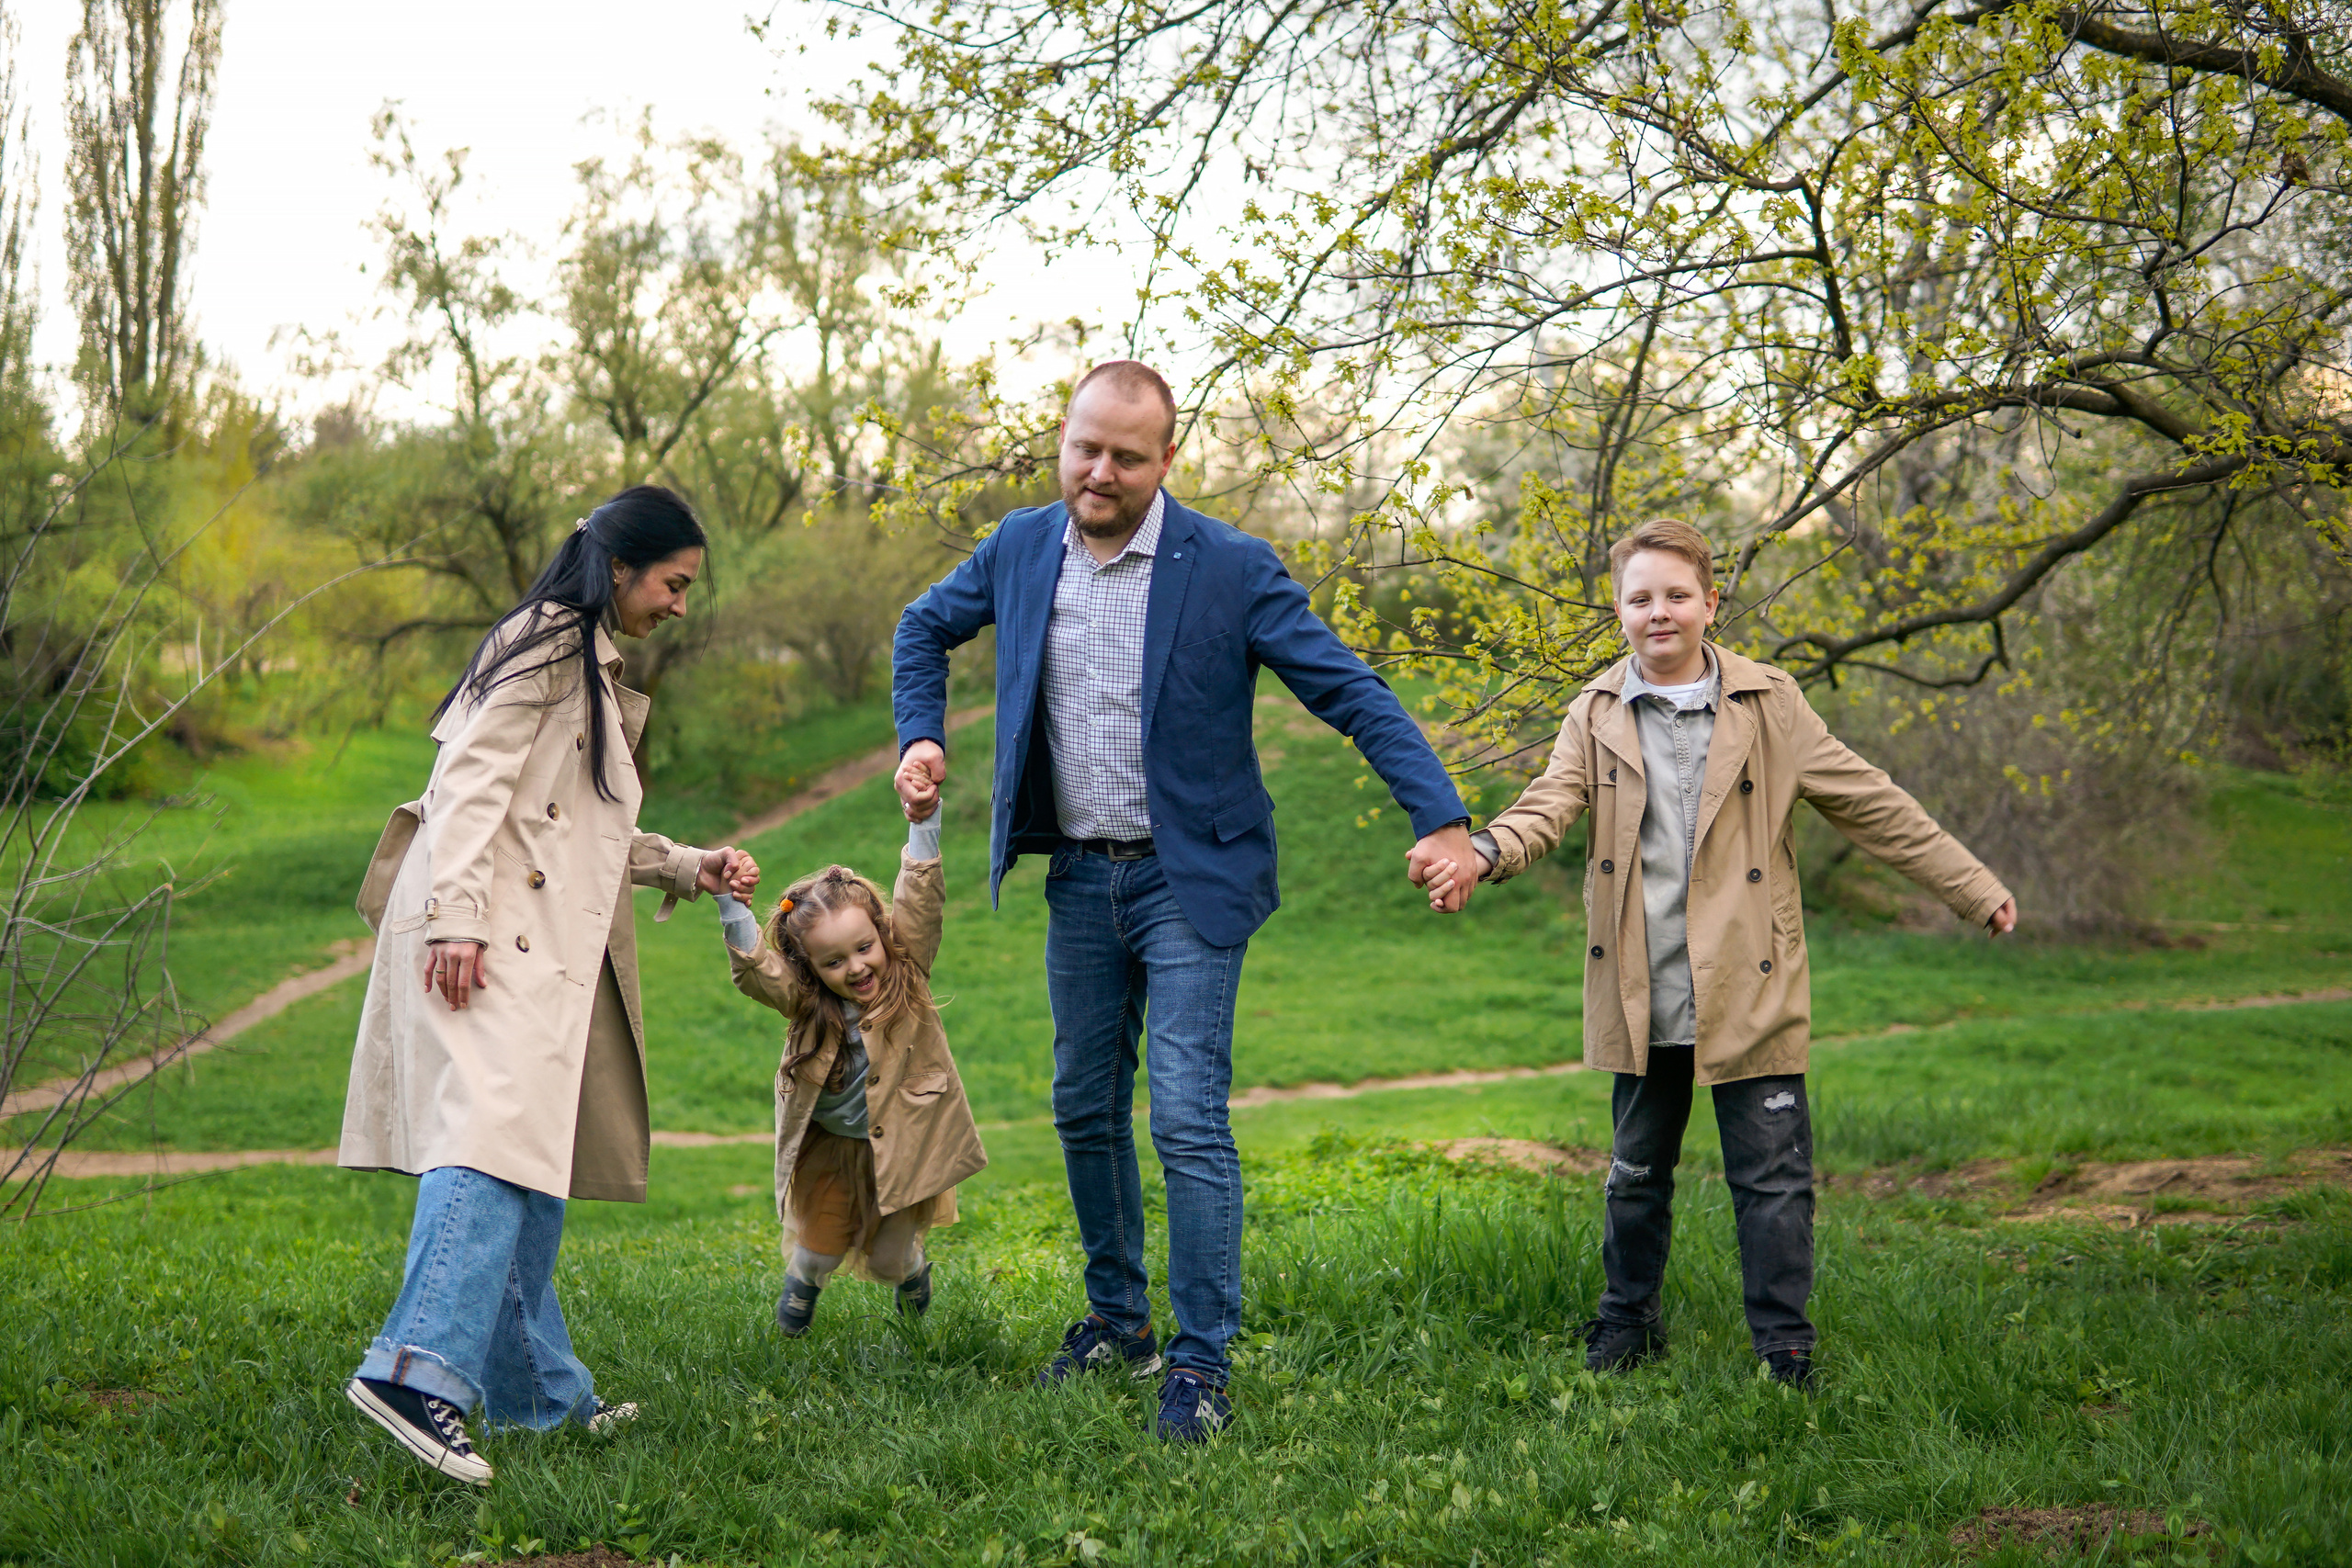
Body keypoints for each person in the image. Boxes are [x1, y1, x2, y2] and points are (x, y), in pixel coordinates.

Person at [891, 359, 1474, 1441]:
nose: (1098, 471)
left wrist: (1435, 815)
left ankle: (1200, 1366)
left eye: (1124, 454)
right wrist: (922, 732)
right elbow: (920, 628)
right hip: (1076, 874)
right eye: (1084, 448)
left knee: (1187, 1118)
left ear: (1166, 460)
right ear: (1061, 443)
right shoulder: (1021, 547)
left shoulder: (1229, 567)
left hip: (1190, 878)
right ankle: (1119, 1322)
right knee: (1081, 1105)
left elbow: (1349, 689)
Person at [1421, 517, 2018, 1388]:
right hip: (1644, 983)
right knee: (1633, 1173)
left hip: (1748, 982)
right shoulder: (1593, 712)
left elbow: (1870, 801)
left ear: (1708, 602)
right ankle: (1628, 1322)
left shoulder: (1770, 704)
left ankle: (1784, 1344)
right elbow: (1547, 805)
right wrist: (1482, 851)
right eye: (1639, 598)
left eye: (1674, 595)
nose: (1657, 612)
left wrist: (1973, 886)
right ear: (1618, 609)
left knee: (1773, 1178)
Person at [338, 485, 760, 1485]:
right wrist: (454, 919)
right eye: (674, 583)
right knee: (491, 1139)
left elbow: (579, 822)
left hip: (507, 932)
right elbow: (471, 785)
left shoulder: (584, 656)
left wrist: (687, 865)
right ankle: (410, 1371)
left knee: (528, 1152)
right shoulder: (542, 641)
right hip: (481, 931)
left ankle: (537, 1399)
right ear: (620, 567)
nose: (680, 605)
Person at [716, 787, 987, 1337]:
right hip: (832, 1148)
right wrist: (730, 904)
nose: (857, 968)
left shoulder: (906, 975)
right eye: (834, 961)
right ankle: (801, 1292)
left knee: (888, 1260)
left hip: (904, 1145)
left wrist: (925, 823)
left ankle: (911, 1274)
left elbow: (922, 902)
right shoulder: (809, 1002)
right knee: (818, 1247)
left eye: (864, 948)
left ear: (882, 936)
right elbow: (757, 972)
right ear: (811, 967)